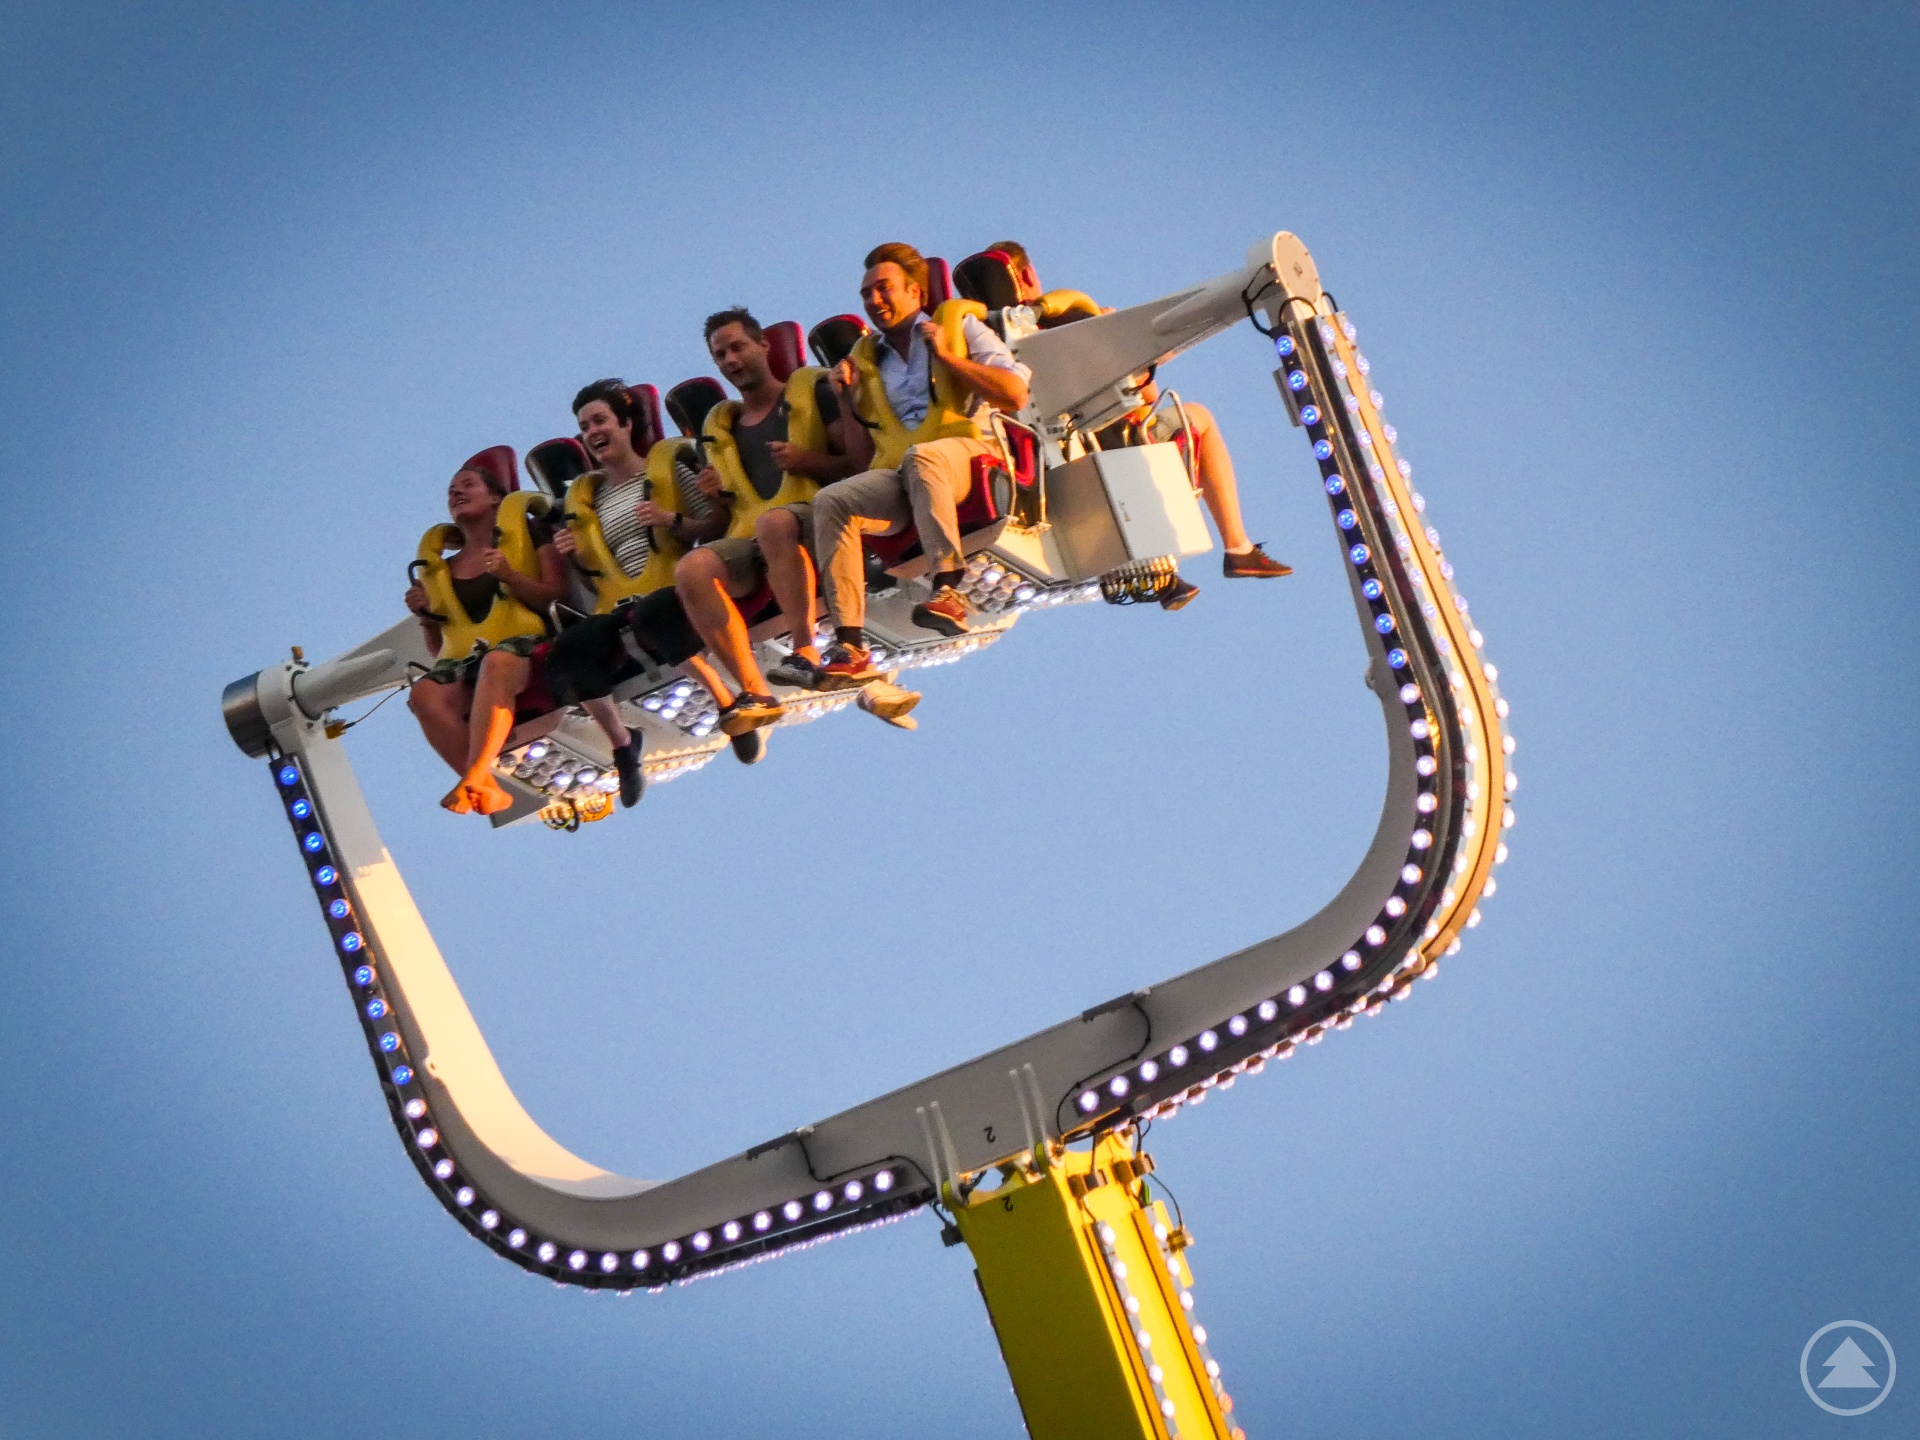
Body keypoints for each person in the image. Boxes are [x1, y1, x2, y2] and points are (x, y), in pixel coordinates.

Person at [988, 240, 1293, 606]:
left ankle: (1164, 574)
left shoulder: (987, 347)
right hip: (1119, 446)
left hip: (1050, 469)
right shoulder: (1068, 319)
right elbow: (1145, 392)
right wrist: (1117, 332)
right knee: (1199, 418)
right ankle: (1238, 546)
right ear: (1027, 274)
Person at [671, 308, 917, 729]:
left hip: (819, 514)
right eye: (721, 355)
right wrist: (713, 501)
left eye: (738, 347)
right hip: (754, 534)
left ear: (764, 345)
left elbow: (859, 465)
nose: (731, 359)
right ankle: (755, 692)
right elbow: (724, 521)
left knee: (775, 523)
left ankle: (805, 651)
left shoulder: (811, 393)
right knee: (691, 569)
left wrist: (810, 460)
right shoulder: (720, 432)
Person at [809, 243, 1032, 687]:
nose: (874, 301)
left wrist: (951, 359)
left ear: (915, 291)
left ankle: (948, 589)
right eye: (866, 294)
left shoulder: (958, 326)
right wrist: (845, 403)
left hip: (964, 457)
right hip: (903, 472)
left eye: (884, 289)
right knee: (831, 500)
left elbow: (1014, 394)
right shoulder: (866, 361)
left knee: (923, 456)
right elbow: (858, 461)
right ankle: (851, 645)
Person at [545, 379, 761, 798]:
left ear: (626, 425)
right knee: (569, 649)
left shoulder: (667, 471)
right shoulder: (590, 501)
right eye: (585, 426)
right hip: (619, 599)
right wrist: (574, 555)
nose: (592, 432)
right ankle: (624, 746)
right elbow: (597, 578)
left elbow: (716, 525)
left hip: (674, 585)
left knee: (654, 615)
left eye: (600, 420)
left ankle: (728, 704)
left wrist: (671, 521)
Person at [404, 451, 567, 816]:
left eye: (467, 485)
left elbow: (556, 596)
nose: (456, 493)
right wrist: (426, 617)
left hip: (528, 648)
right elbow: (440, 649)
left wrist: (511, 577)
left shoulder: (528, 534)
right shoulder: (441, 571)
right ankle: (483, 783)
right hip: (468, 660)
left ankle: (476, 776)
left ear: (496, 497)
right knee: (423, 693)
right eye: (451, 491)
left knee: (497, 661)